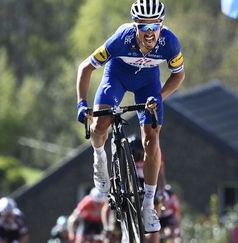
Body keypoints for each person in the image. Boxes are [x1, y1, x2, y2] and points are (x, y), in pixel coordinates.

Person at [76, 0, 185, 233]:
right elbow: (85, 67)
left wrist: (161, 96)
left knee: (152, 140)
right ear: (135, 26)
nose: (149, 33)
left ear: (162, 25)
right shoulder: (121, 39)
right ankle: (99, 159)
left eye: (154, 27)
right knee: (100, 125)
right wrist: (81, 104)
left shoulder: (169, 42)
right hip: (117, 77)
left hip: (148, 84)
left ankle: (147, 204)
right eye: (143, 27)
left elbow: (178, 75)